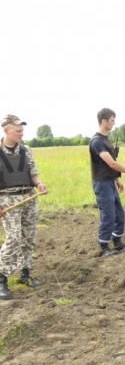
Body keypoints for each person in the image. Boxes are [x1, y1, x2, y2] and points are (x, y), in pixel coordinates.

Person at [0, 114, 49, 300]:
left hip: (28, 198)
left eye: (22, 130)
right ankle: (2, 278)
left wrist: (39, 184)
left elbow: (33, 173)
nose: (22, 133)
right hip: (7, 200)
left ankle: (25, 273)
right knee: (13, 238)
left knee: (29, 237)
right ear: (6, 130)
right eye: (18, 130)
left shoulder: (26, 150)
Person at [89, 108, 125, 257]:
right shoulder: (96, 142)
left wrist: (117, 179)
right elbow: (111, 163)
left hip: (110, 182)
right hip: (101, 183)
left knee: (118, 213)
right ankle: (104, 246)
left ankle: (117, 242)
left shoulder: (106, 140)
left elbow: (109, 166)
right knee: (108, 215)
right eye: (112, 120)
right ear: (104, 121)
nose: (114, 123)